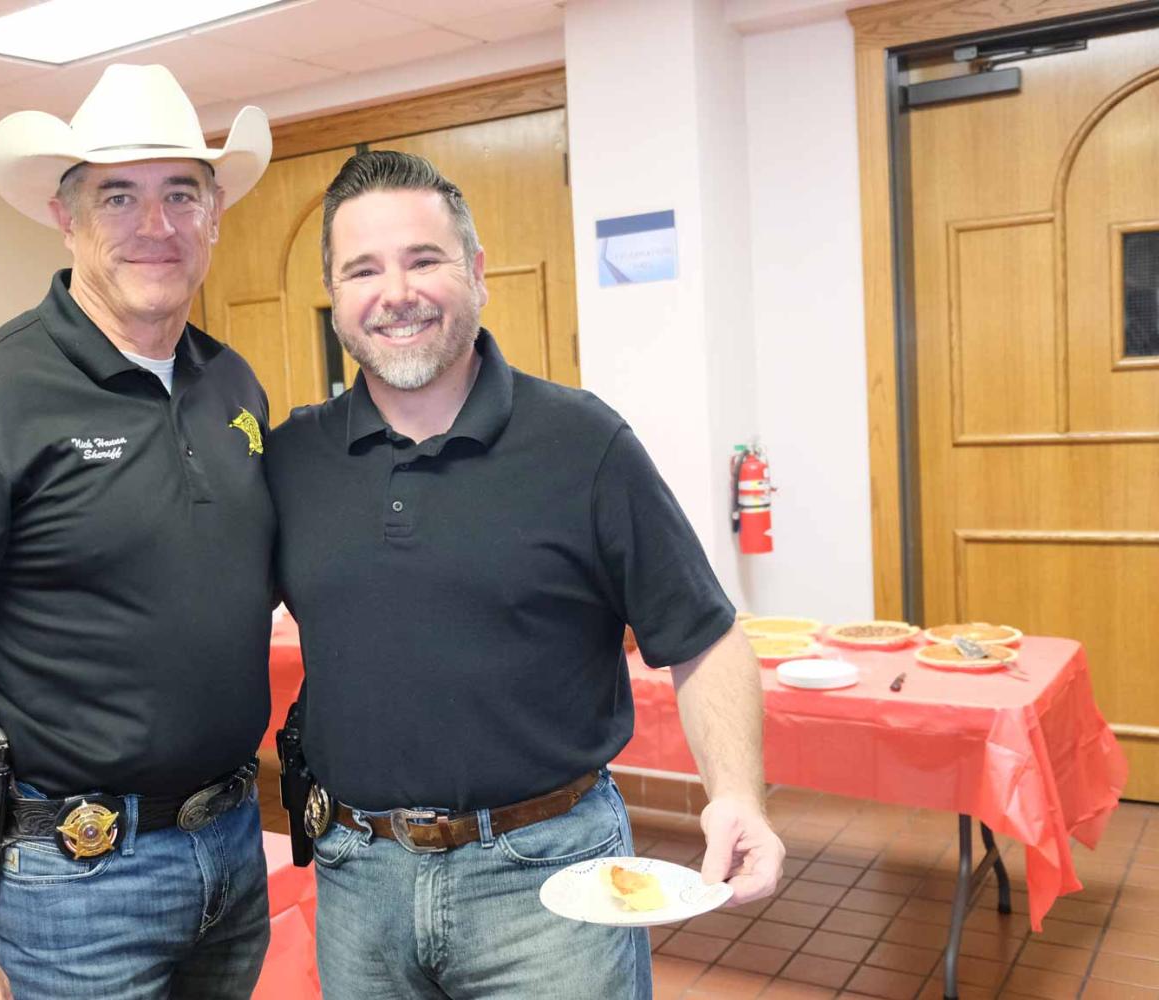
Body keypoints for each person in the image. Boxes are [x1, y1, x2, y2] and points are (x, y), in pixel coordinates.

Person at [265, 150, 784, 999]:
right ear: (337, 298)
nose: (395, 291)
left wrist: (737, 794)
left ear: (475, 274)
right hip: (357, 878)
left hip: (550, 881)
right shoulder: (291, 460)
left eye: (423, 259)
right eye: (363, 269)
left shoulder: (584, 445)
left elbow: (705, 637)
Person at [0, 65, 278, 1000]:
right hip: (68, 885)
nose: (153, 225)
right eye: (117, 195)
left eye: (180, 194)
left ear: (216, 215)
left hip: (234, 850)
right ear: (63, 214)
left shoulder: (232, 383)